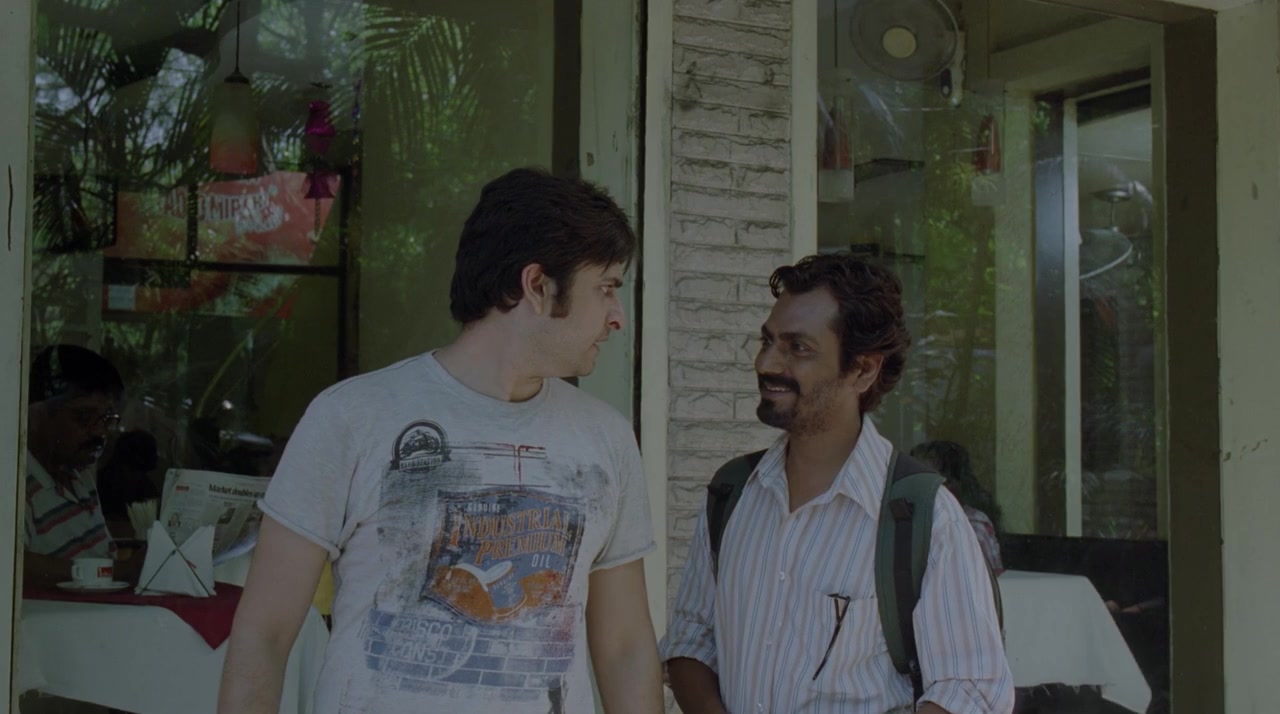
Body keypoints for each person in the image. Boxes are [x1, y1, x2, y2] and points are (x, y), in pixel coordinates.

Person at [219, 168, 663, 714]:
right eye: (607, 288)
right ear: (537, 285)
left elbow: (625, 649)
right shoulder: (352, 417)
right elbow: (263, 634)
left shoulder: (606, 439)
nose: (618, 318)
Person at [661, 253, 1013, 714]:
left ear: (863, 370)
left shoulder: (923, 517)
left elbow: (970, 690)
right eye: (767, 340)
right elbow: (691, 638)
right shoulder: (732, 493)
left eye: (798, 348)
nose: (766, 362)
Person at [24, 344, 141, 587]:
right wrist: (119, 572)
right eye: (84, 417)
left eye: (106, 418)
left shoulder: (78, 473)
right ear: (36, 415)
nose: (99, 432)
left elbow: (100, 554)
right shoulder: (16, 482)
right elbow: (15, 565)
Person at [910, 440, 1004, 574]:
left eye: (924, 480)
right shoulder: (915, 521)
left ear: (951, 485)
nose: (915, 488)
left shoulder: (971, 526)